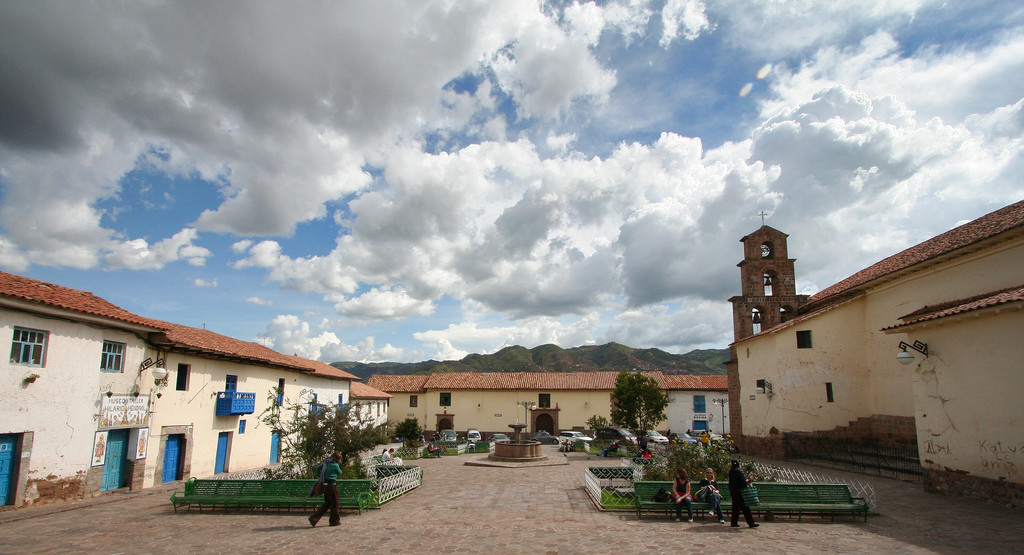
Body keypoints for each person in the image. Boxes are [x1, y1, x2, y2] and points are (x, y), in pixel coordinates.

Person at [308, 452, 342, 527]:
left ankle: (314, 518)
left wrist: (320, 475)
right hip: (332, 485)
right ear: (338, 459)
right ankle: (334, 520)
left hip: (324, 485)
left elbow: (317, 468)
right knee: (335, 503)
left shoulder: (326, 463)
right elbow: (340, 473)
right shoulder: (335, 465)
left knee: (327, 503)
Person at [728, 459, 759, 528]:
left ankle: (734, 522)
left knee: (735, 508)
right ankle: (750, 522)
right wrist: (747, 481)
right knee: (745, 508)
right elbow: (743, 483)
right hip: (739, 492)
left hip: (733, 491)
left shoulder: (731, 472)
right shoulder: (739, 472)